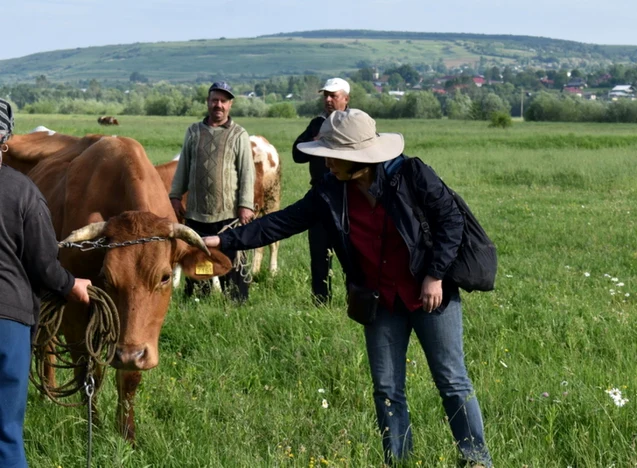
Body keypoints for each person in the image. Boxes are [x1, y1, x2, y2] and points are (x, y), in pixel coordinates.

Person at [203, 109, 493, 467]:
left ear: (358, 159)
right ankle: (398, 461)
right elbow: (282, 222)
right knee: (387, 390)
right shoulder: (330, 191)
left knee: (452, 381)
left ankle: (476, 459)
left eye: (332, 155)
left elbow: (451, 220)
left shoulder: (412, 174)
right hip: (380, 301)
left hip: (430, 296)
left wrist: (435, 274)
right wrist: (222, 240)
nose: (325, 162)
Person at [0, 99, 92, 468]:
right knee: (5, 433)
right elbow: (43, 264)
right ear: (5, 140)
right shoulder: (23, 191)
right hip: (8, 323)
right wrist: (72, 285)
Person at [169, 81, 256, 303]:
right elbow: (183, 167)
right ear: (208, 102)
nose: (218, 105)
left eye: (223, 101)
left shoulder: (239, 134)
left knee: (232, 261)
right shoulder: (194, 131)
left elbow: (247, 172)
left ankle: (236, 303)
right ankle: (200, 300)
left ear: (230, 105)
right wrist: (176, 196)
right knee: (199, 260)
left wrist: (246, 204)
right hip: (197, 213)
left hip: (228, 215)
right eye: (214, 100)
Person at [292, 77, 350, 305]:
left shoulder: (354, 122)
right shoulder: (317, 124)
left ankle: (355, 299)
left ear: (345, 99)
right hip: (320, 197)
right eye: (325, 95)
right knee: (319, 254)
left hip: (348, 197)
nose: (327, 99)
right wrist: (315, 140)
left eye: (333, 95)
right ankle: (320, 302)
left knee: (350, 254)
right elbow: (297, 154)